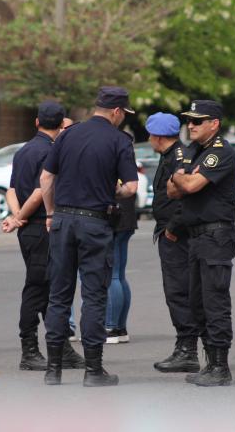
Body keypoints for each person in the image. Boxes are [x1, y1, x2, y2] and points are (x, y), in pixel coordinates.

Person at [40, 87, 139, 387]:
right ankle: (93, 370)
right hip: (95, 223)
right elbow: (131, 188)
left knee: (59, 295)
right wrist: (112, 191)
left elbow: (46, 177)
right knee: (94, 295)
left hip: (62, 220)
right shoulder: (119, 140)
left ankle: (53, 369)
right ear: (118, 112)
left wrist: (50, 212)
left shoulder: (67, 134)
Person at [1, 102, 85, 371]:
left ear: (36, 122)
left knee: (50, 291)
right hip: (42, 226)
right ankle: (29, 351)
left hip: (29, 227)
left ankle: (61, 347)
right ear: (62, 125)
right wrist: (18, 218)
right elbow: (41, 191)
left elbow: (11, 189)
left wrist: (17, 215)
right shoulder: (52, 151)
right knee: (38, 289)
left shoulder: (23, 151)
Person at [168, 100, 235, 387]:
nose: (191, 125)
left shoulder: (220, 153)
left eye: (198, 121)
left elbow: (190, 186)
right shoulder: (197, 152)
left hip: (215, 236)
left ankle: (221, 366)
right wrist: (181, 178)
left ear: (215, 124)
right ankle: (210, 363)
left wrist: (179, 175)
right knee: (197, 303)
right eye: (189, 120)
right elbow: (172, 192)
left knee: (215, 301)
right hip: (197, 237)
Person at [145, 112, 201, 374]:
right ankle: (185, 346)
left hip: (177, 235)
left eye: (150, 135)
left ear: (157, 137)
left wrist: (172, 228)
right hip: (171, 232)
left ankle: (187, 350)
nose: (149, 139)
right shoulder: (172, 155)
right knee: (177, 290)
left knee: (178, 291)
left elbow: (184, 199)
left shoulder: (180, 158)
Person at [105, 132, 138, 344]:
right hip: (127, 218)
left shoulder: (114, 153)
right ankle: (120, 327)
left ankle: (111, 327)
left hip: (116, 219)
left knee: (113, 276)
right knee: (120, 274)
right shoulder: (127, 155)